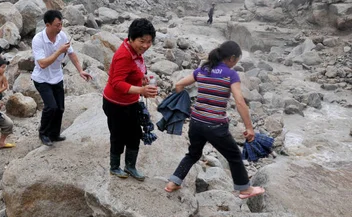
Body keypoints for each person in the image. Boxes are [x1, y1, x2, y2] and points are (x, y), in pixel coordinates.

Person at [165, 41, 266, 199]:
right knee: (234, 156)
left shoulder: (203, 70)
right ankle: (245, 189)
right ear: (232, 58)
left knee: (193, 153)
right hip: (215, 126)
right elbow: (240, 102)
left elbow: (179, 85)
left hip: (196, 122)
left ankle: (174, 181)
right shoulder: (230, 74)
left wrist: (186, 106)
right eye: (237, 60)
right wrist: (249, 128)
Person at [103, 19, 158, 180]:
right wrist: (141, 90)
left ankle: (130, 166)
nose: (146, 45)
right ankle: (114, 167)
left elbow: (132, 74)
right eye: (142, 41)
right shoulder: (124, 55)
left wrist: (142, 80)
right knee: (118, 135)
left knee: (134, 134)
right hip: (115, 103)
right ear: (132, 38)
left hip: (131, 101)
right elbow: (117, 83)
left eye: (149, 42)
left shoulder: (136, 53)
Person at [32, 10, 92, 146]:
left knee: (60, 108)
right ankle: (43, 133)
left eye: (61, 24)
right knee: (51, 107)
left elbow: (72, 54)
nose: (60, 28)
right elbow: (42, 64)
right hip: (41, 78)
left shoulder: (62, 36)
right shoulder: (38, 39)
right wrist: (59, 51)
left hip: (57, 77)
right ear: (47, 25)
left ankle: (54, 134)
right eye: (57, 25)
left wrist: (80, 70)